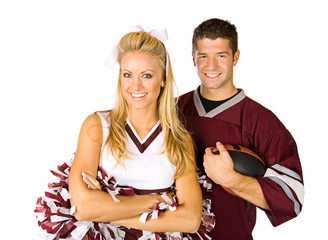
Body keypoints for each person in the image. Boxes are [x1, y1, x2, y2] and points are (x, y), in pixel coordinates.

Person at [35, 29, 211, 239]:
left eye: (146, 75)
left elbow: (190, 220)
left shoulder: (179, 140)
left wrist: (105, 211)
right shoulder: (97, 127)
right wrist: (156, 200)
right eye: (127, 74)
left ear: (163, 79)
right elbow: (81, 208)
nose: (135, 85)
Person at [177, 18, 304, 240]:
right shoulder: (172, 110)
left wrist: (232, 179)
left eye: (221, 56)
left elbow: (292, 199)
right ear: (193, 58)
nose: (211, 66)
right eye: (204, 56)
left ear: (235, 57)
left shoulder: (262, 122)